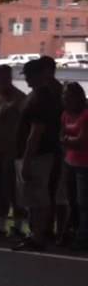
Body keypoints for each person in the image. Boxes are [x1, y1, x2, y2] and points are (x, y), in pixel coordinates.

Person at [15, 58, 61, 251]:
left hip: (38, 154)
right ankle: (34, 233)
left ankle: (39, 235)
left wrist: (27, 158)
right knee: (31, 197)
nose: (26, 79)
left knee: (38, 195)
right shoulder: (35, 95)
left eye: (29, 75)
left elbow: (36, 131)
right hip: (34, 154)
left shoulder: (41, 98)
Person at [0, 64, 27, 240]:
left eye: (4, 76)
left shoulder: (20, 98)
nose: (1, 80)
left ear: (10, 77)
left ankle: (19, 226)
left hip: (13, 151)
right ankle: (1, 224)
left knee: (14, 191)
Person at [60, 81, 88, 250]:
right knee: (72, 201)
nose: (65, 98)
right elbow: (61, 136)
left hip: (84, 164)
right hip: (69, 162)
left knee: (83, 202)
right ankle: (74, 231)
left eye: (68, 95)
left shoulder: (85, 115)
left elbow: (83, 141)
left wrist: (68, 141)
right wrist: (70, 141)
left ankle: (83, 236)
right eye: (64, 95)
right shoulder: (65, 115)